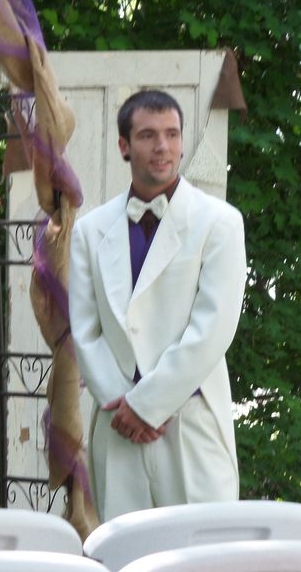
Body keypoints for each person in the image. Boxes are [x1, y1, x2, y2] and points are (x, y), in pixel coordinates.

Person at [68, 89, 247, 521]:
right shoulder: (91, 230)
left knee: (205, 549)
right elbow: (85, 329)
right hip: (117, 420)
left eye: (171, 134)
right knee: (125, 551)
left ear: (183, 141)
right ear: (124, 146)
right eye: (148, 135)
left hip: (190, 416)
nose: (163, 146)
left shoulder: (219, 222)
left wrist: (148, 404)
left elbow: (213, 327)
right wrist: (121, 402)